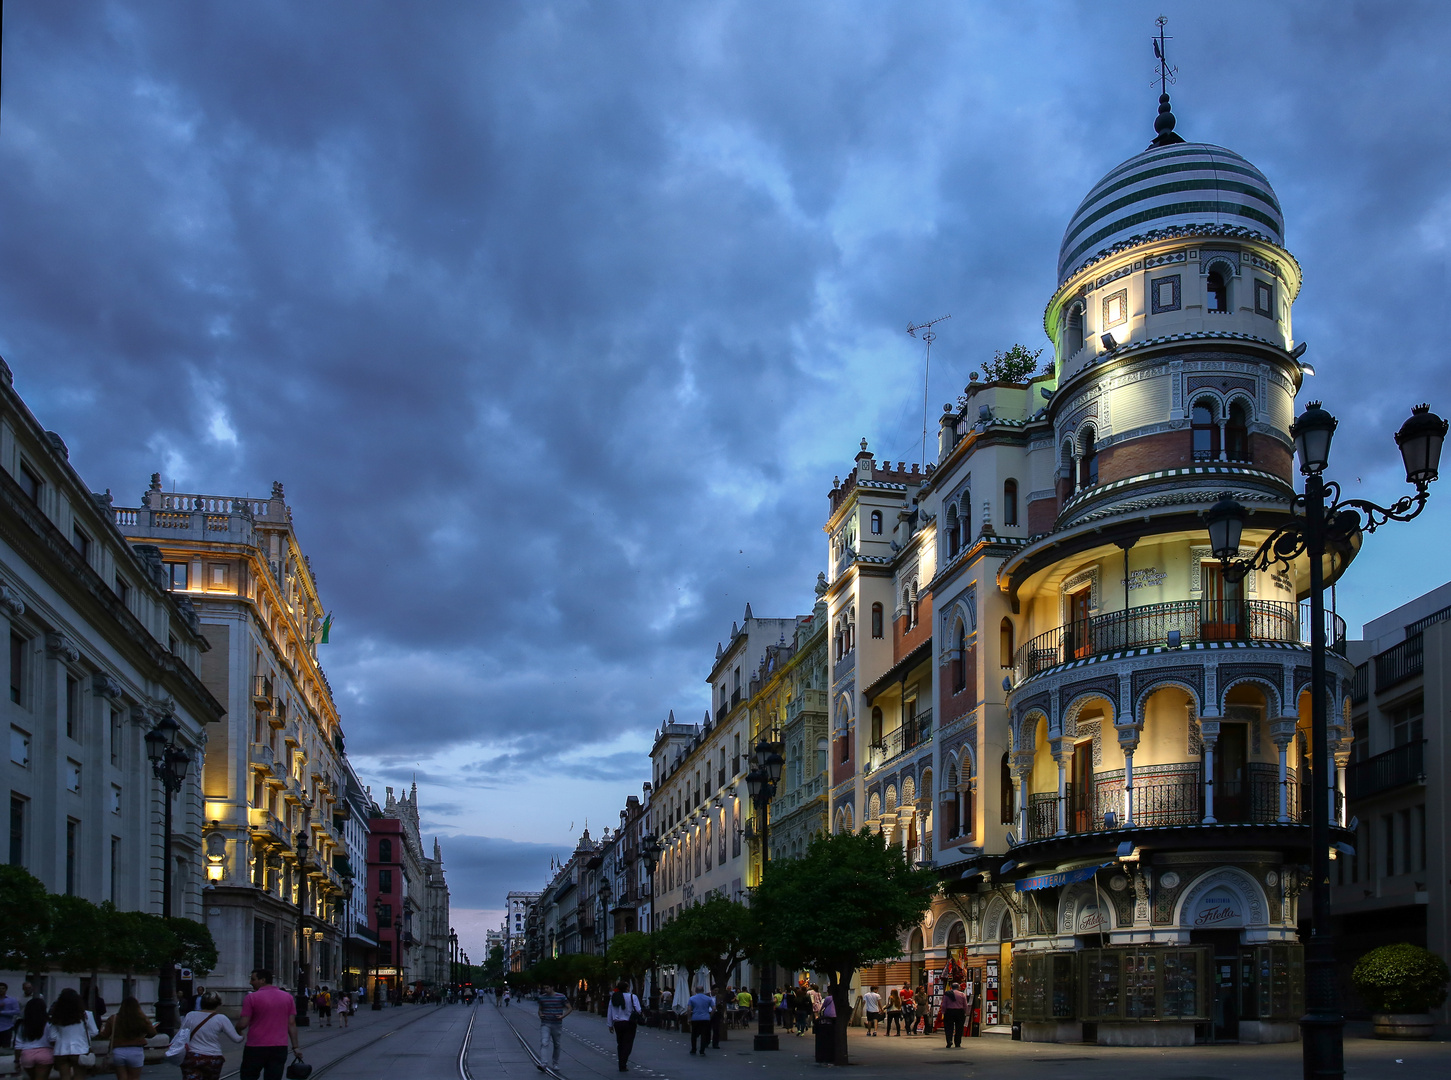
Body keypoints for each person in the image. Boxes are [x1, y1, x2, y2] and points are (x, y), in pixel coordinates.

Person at [235, 969, 302, 1080]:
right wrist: (296, 1047)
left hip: (255, 1047)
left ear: (262, 980)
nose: (250, 982)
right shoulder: (288, 997)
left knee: (248, 1076)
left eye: (253, 979)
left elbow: (243, 1023)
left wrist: (238, 1030)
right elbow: (291, 1024)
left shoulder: (251, 998)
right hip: (279, 1047)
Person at [178, 990, 243, 1080]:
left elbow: (181, 1035)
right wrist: (241, 1032)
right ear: (218, 1004)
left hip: (192, 1056)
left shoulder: (190, 1015)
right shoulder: (221, 1018)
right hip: (213, 1057)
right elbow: (237, 1039)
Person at [98, 996, 155, 1080]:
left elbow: (104, 1035)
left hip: (118, 1051)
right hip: (136, 1050)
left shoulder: (113, 1019)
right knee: (134, 1078)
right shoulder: (141, 1018)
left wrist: (100, 1031)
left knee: (121, 1078)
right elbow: (152, 1033)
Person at [47, 988, 97, 1080]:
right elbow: (94, 1032)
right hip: (80, 1049)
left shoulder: (57, 1016)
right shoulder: (86, 1015)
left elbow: (52, 1036)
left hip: (61, 1050)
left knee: (64, 1076)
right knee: (79, 1076)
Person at [12, 999, 55, 1080]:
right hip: (45, 1054)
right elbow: (53, 1040)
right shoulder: (49, 1024)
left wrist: (17, 1061)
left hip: (27, 1054)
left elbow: (18, 1045)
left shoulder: (22, 1025)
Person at [605, 981, 641, 1072]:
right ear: (627, 988)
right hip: (630, 1023)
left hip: (618, 1023)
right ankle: (623, 1062)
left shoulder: (614, 997)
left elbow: (610, 1011)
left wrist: (610, 1024)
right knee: (628, 1044)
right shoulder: (633, 997)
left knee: (620, 1043)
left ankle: (621, 1062)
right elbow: (638, 1010)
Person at [535, 983, 571, 1071]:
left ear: (552, 987)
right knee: (544, 1042)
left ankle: (555, 1063)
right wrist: (540, 1014)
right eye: (544, 988)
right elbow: (540, 1009)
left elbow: (569, 1008)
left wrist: (563, 1016)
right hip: (545, 1023)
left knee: (557, 1044)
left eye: (547, 987)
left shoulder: (561, 997)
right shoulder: (542, 997)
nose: (545, 990)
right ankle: (543, 1063)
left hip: (557, 1024)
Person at [686, 986, 713, 1055]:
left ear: (695, 990)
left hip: (695, 1018)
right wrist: (710, 1016)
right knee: (704, 1034)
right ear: (703, 990)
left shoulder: (692, 998)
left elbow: (689, 1009)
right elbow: (714, 1008)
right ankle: (702, 1050)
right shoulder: (708, 998)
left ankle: (693, 1049)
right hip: (705, 1018)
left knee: (694, 1034)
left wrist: (689, 1018)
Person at [940, 981, 967, 1048]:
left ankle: (949, 1041)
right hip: (959, 1012)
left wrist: (943, 1012)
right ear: (958, 987)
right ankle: (957, 1043)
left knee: (949, 1027)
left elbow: (944, 1004)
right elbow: (965, 1005)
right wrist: (965, 1012)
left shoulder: (947, 994)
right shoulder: (962, 994)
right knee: (959, 1028)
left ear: (951, 987)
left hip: (949, 1012)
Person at [813, 985, 836, 1065]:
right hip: (836, 1015)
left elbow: (823, 1006)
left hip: (828, 1015)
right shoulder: (837, 998)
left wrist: (819, 1013)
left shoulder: (828, 998)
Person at [0, 983, 19, 1049]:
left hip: (7, 1026)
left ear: (6, 989)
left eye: (3, 988)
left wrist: (2, 1012)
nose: (1, 990)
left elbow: (16, 1011)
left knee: (6, 1047)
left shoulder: (12, 1000)